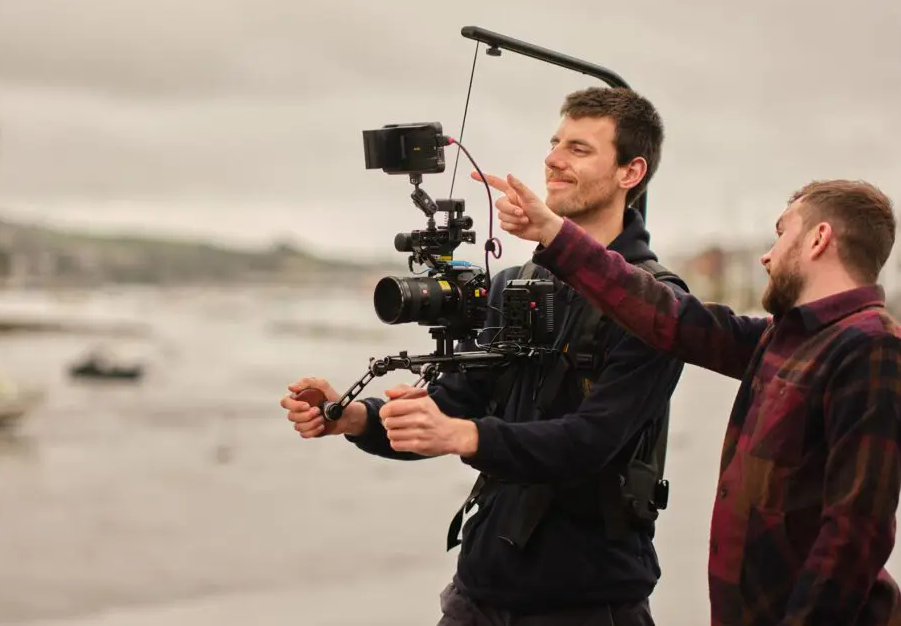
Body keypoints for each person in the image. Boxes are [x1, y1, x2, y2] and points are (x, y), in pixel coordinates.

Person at [280, 87, 689, 625]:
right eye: (554, 143)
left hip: (587, 602)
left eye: (579, 149)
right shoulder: (517, 283)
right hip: (480, 589)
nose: (553, 159)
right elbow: (453, 401)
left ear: (630, 172)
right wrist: (354, 417)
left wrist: (465, 436)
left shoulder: (659, 304)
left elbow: (590, 442)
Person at [477, 171, 901, 626]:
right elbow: (669, 318)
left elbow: (855, 536)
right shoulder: (783, 340)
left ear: (819, 238)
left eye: (780, 233)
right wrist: (555, 234)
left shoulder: (874, 348)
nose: (766, 256)